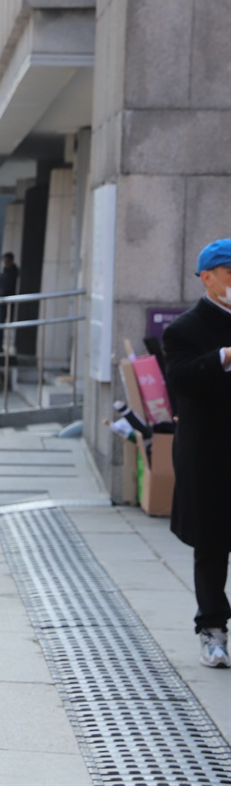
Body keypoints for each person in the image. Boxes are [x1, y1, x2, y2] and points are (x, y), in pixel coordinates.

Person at [161, 238, 231, 669]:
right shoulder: (184, 328)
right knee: (212, 543)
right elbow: (181, 378)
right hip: (209, 453)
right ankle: (212, 630)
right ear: (207, 278)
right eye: (229, 273)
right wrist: (223, 356)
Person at [0, 252, 20, 354]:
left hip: (12, 302)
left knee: (11, 324)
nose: (5, 263)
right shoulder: (2, 274)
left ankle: (11, 345)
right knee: (0, 324)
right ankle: (0, 344)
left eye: (7, 261)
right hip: (2, 302)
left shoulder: (15, 274)